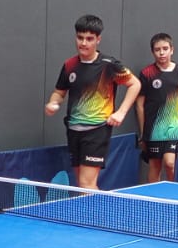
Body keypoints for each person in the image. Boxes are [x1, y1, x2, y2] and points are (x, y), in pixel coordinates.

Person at [44, 14, 140, 189]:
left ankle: (97, 208)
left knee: (86, 183)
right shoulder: (69, 65)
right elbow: (59, 92)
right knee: (82, 184)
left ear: (98, 40)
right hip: (73, 130)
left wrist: (121, 112)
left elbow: (135, 84)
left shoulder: (108, 65)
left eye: (89, 39)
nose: (83, 43)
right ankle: (96, 207)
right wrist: (53, 103)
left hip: (97, 130)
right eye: (80, 38)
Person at [135, 32, 178, 183]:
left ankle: (171, 191)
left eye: (165, 49)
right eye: (157, 49)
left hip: (173, 128)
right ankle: (154, 196)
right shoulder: (146, 73)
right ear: (152, 52)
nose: (161, 53)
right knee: (155, 166)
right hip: (153, 129)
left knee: (169, 163)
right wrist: (143, 132)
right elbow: (139, 104)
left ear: (172, 50)